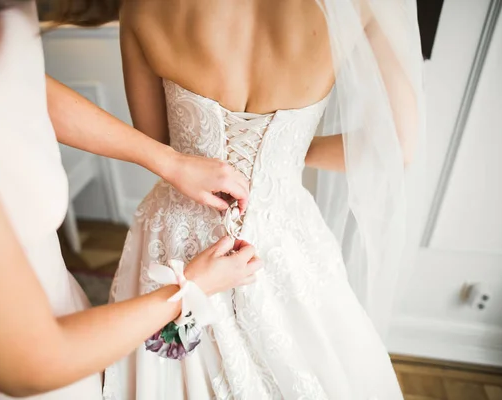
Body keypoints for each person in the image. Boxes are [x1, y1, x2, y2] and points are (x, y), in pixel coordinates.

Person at [0, 1, 261, 399]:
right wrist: (189, 290)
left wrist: (171, 162)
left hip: (60, 305)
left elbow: (23, 85)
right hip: (1, 365)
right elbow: (31, 359)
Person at [104, 0, 425, 398]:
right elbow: (396, 148)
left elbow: (155, 142)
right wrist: (289, 151)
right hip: (283, 231)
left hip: (176, 237)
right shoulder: (358, 6)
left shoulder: (143, 7)